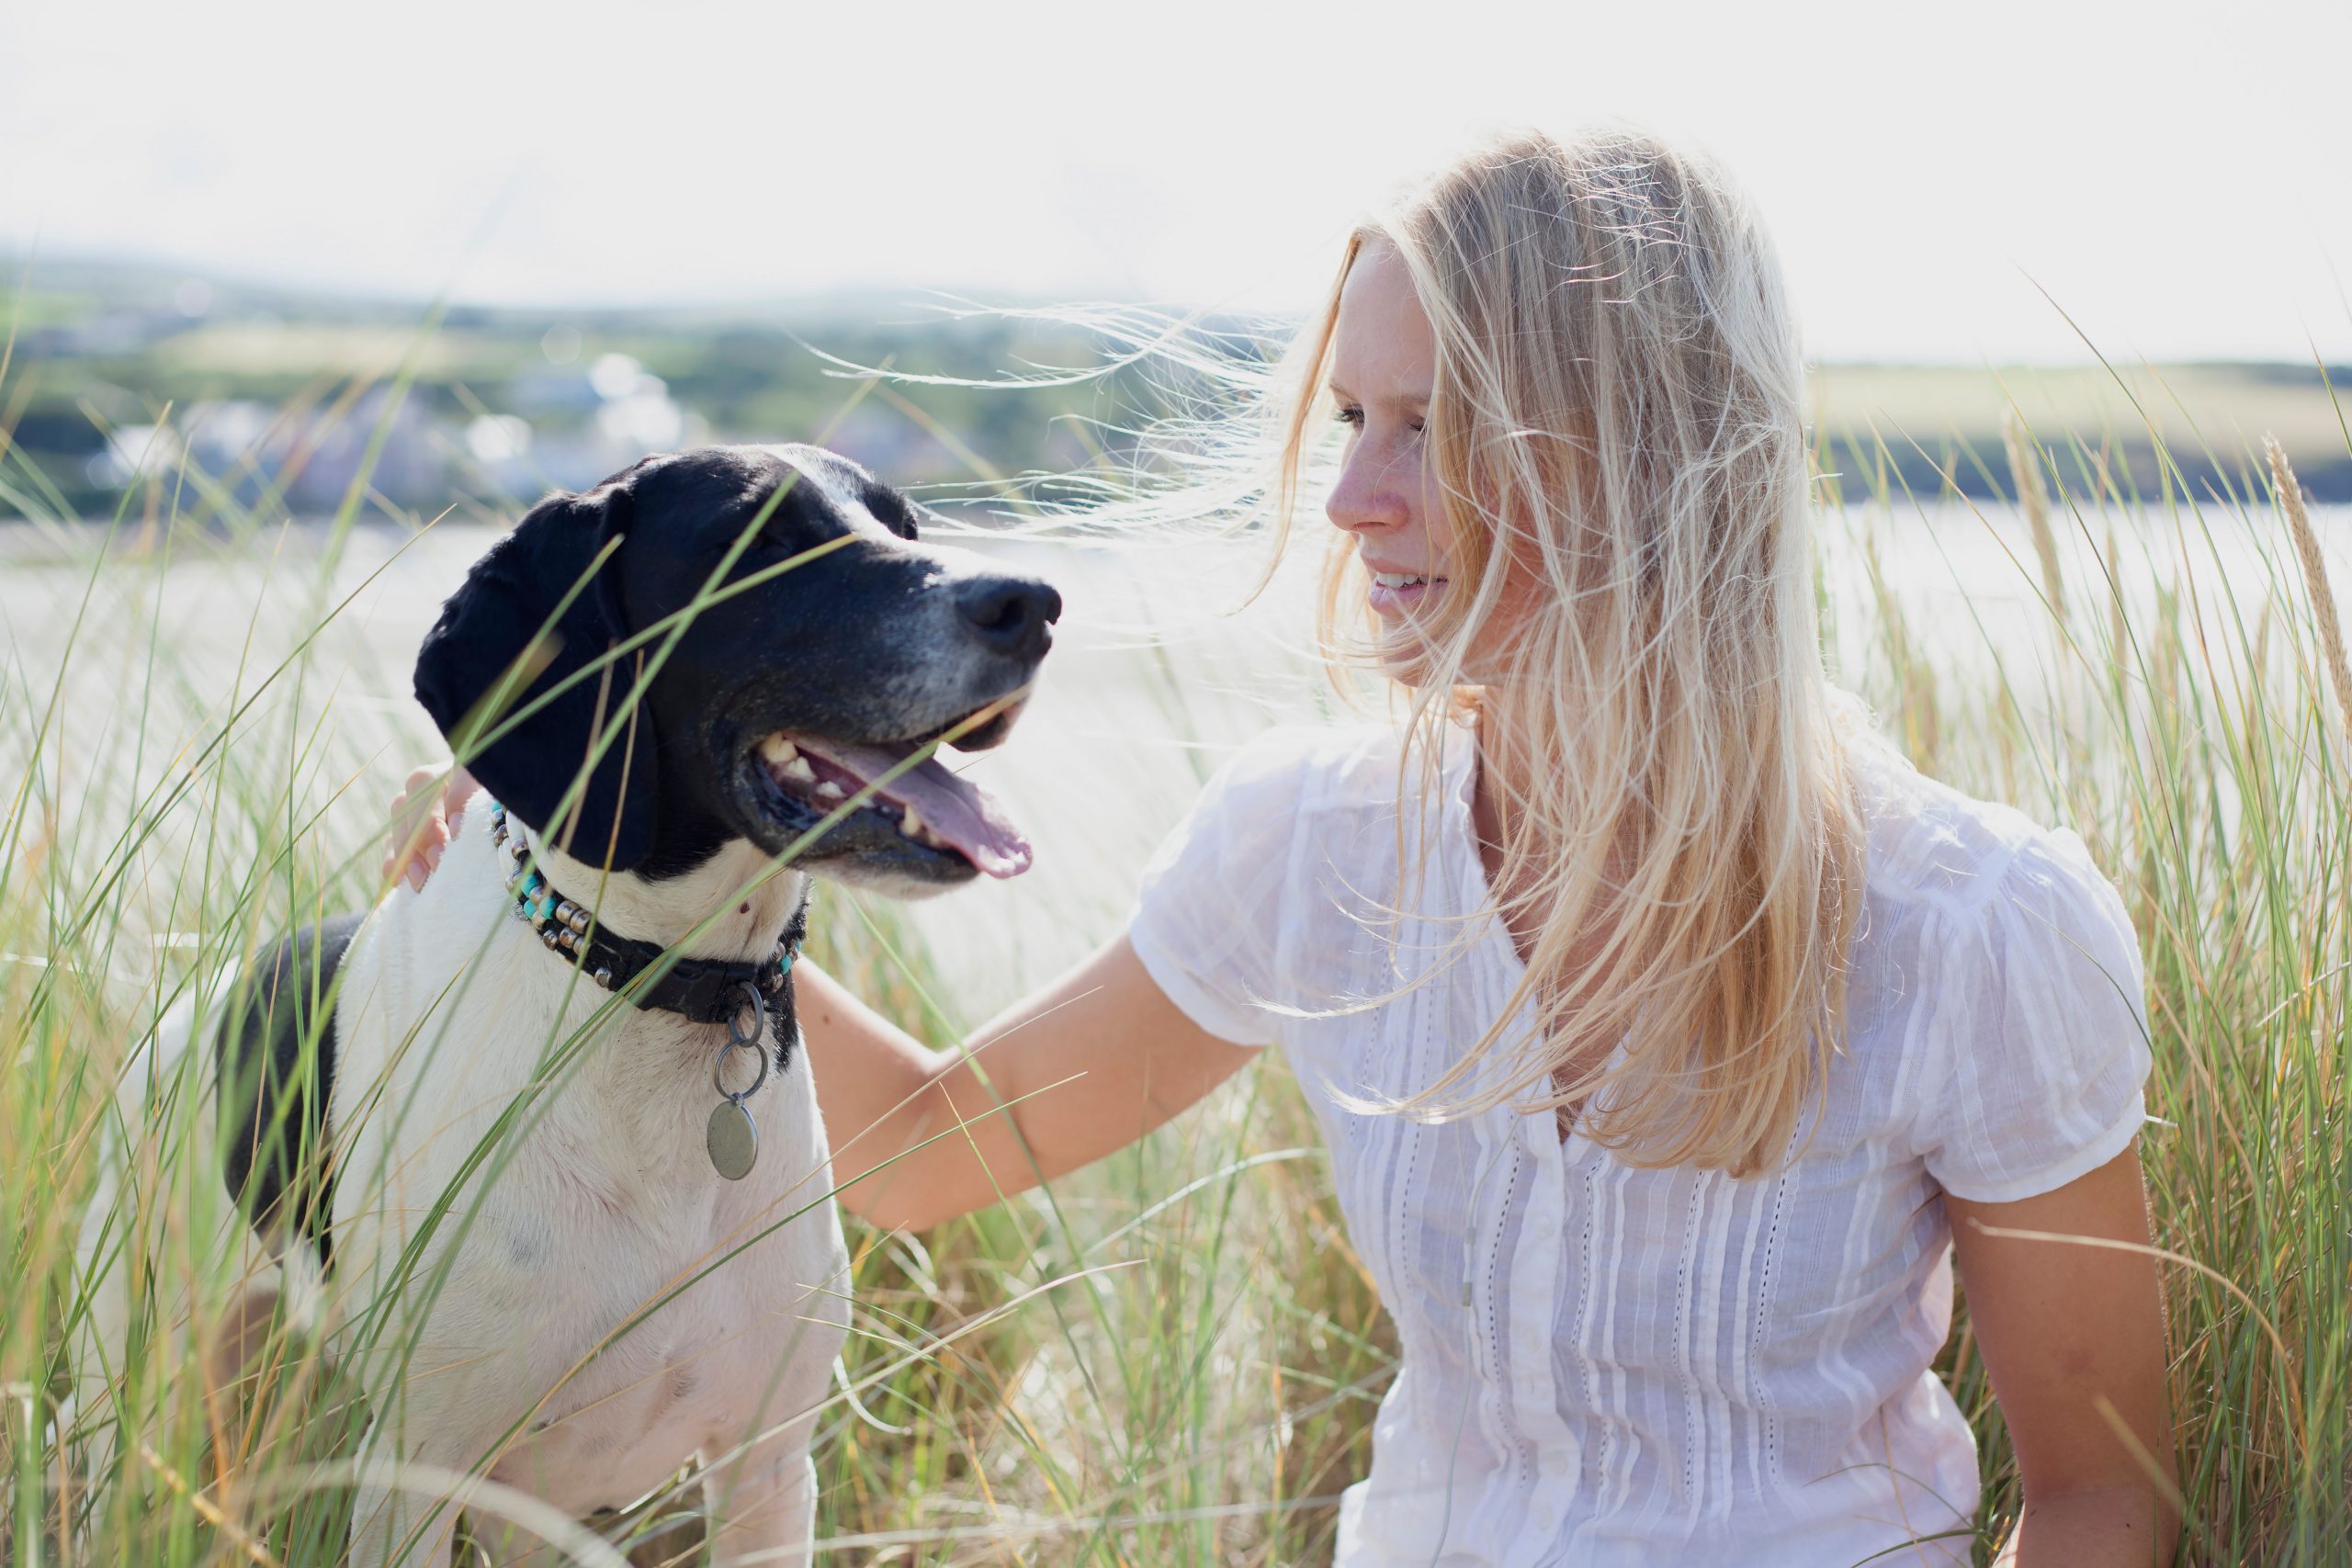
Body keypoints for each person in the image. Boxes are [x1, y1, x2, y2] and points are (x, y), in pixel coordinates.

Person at [388, 127, 2176, 1567]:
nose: (1351, 500)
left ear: (1637, 451)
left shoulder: (1976, 925)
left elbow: (2096, 1496)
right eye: (1348, 422)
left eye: (1429, 425)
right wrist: (590, 863)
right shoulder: (1314, 841)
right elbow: (935, 1146)